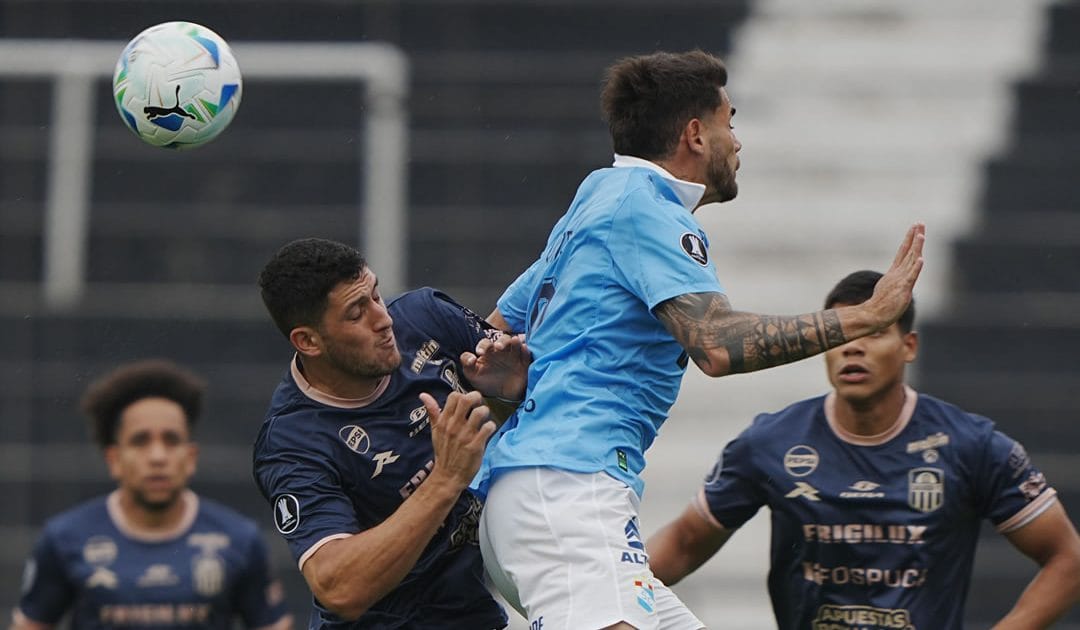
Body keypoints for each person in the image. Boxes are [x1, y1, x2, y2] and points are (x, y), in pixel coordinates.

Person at [472, 49, 926, 630]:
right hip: (567, 493)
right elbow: (714, 344)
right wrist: (866, 317)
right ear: (695, 134)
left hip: (549, 493)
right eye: (729, 121)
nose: (737, 141)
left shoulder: (599, 196)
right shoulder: (645, 209)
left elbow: (497, 328)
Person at [647, 269, 1080, 629]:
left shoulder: (972, 446)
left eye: (872, 331)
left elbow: (1068, 559)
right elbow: (684, 543)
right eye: (841, 333)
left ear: (909, 347)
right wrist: (604, 591)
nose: (852, 346)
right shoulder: (771, 443)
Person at [252, 237, 529, 629]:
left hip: (473, 613)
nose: (383, 320)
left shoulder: (423, 315)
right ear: (308, 341)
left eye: (376, 296)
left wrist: (513, 389)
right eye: (355, 313)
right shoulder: (291, 443)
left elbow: (529, 386)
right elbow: (338, 588)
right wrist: (446, 478)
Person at [11, 359, 293, 630]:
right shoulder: (64, 539)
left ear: (191, 457)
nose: (158, 456)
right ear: (114, 459)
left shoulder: (240, 541)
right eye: (140, 441)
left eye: (171, 440)